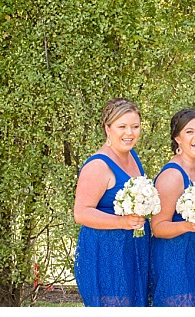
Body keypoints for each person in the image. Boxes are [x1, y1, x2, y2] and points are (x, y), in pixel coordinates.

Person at [73, 98, 150, 306]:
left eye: (135, 126)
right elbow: (81, 213)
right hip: (107, 254)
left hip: (132, 249)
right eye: (122, 127)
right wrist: (123, 222)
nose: (130, 133)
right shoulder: (98, 165)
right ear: (108, 129)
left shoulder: (132, 155)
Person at [149, 108, 195, 306]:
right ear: (177, 138)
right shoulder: (172, 176)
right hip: (176, 259)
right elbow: (158, 227)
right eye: (189, 132)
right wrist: (188, 226)